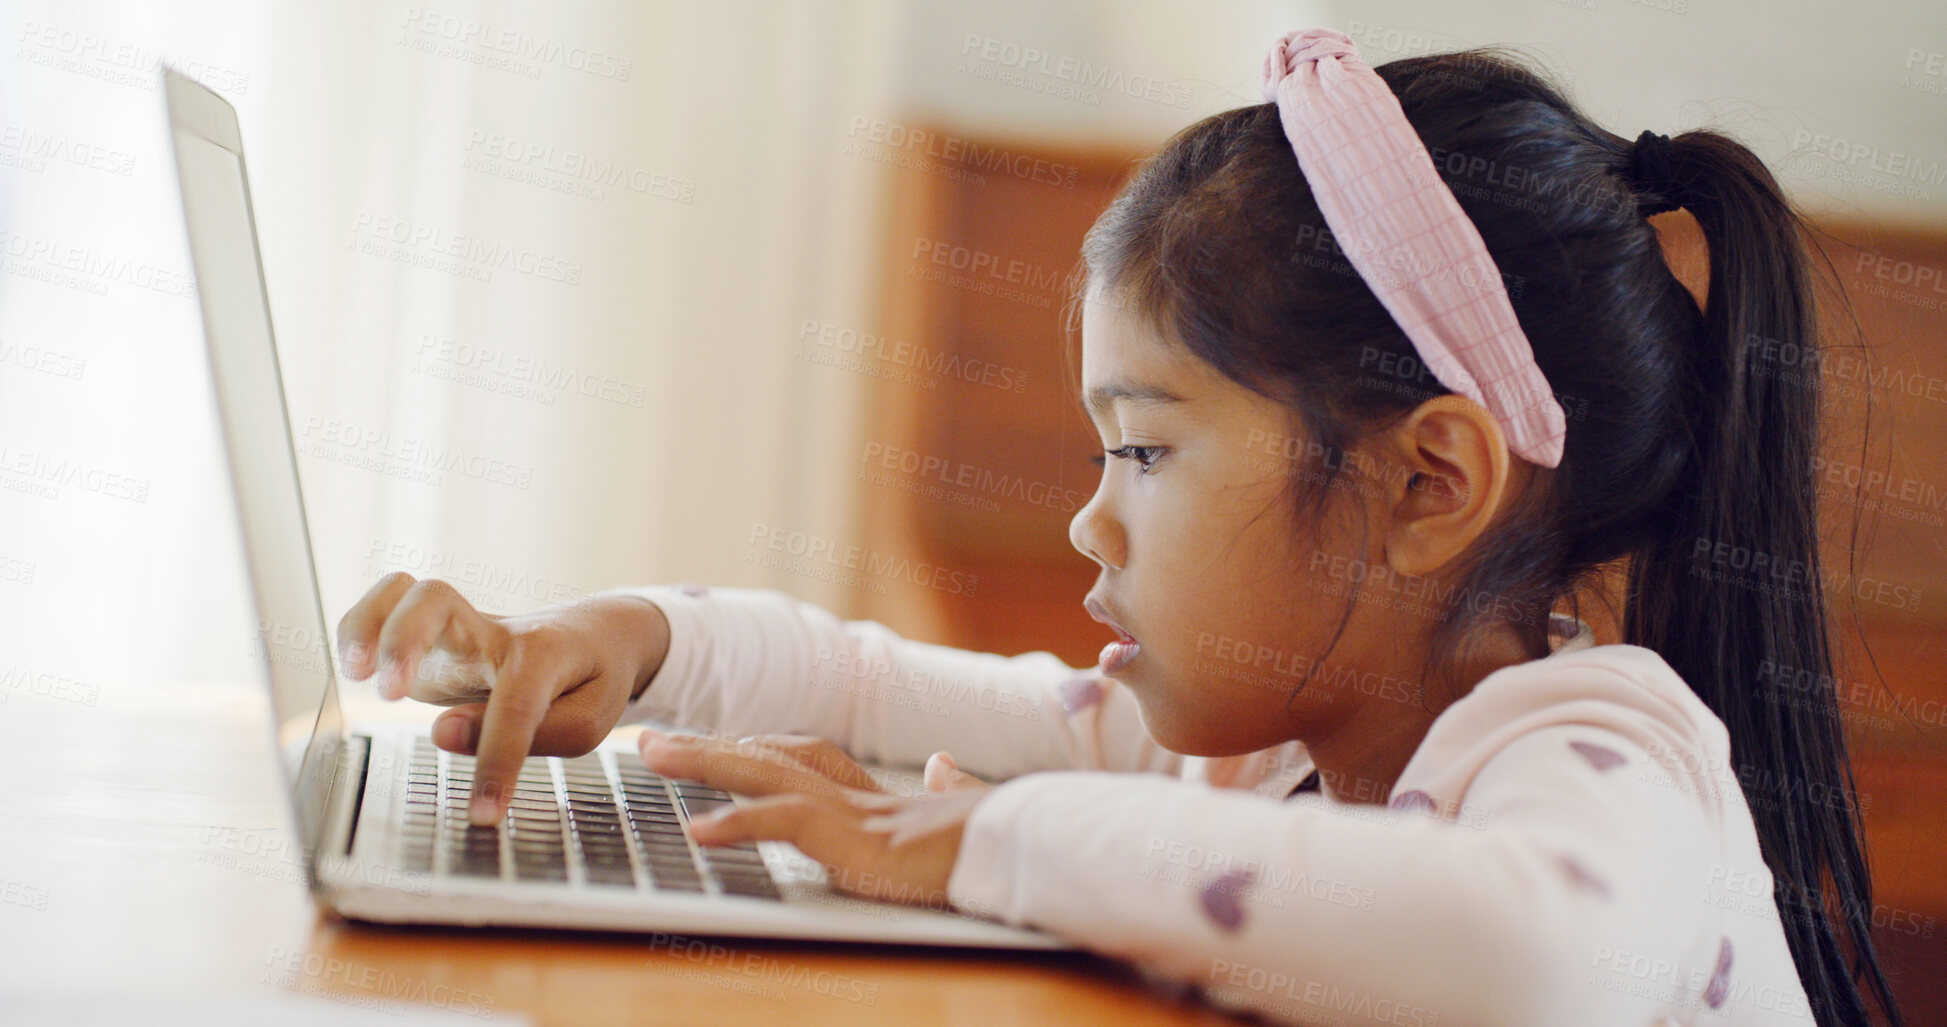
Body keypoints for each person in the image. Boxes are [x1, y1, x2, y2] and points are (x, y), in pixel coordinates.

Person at [334, 28, 1901, 1027]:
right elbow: (877, 688)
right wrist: (626, 643)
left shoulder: (1596, 742)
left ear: (1429, 485)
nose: (1091, 522)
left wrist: (975, 844)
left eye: (1143, 449)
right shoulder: (1250, 753)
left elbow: (1529, 963)